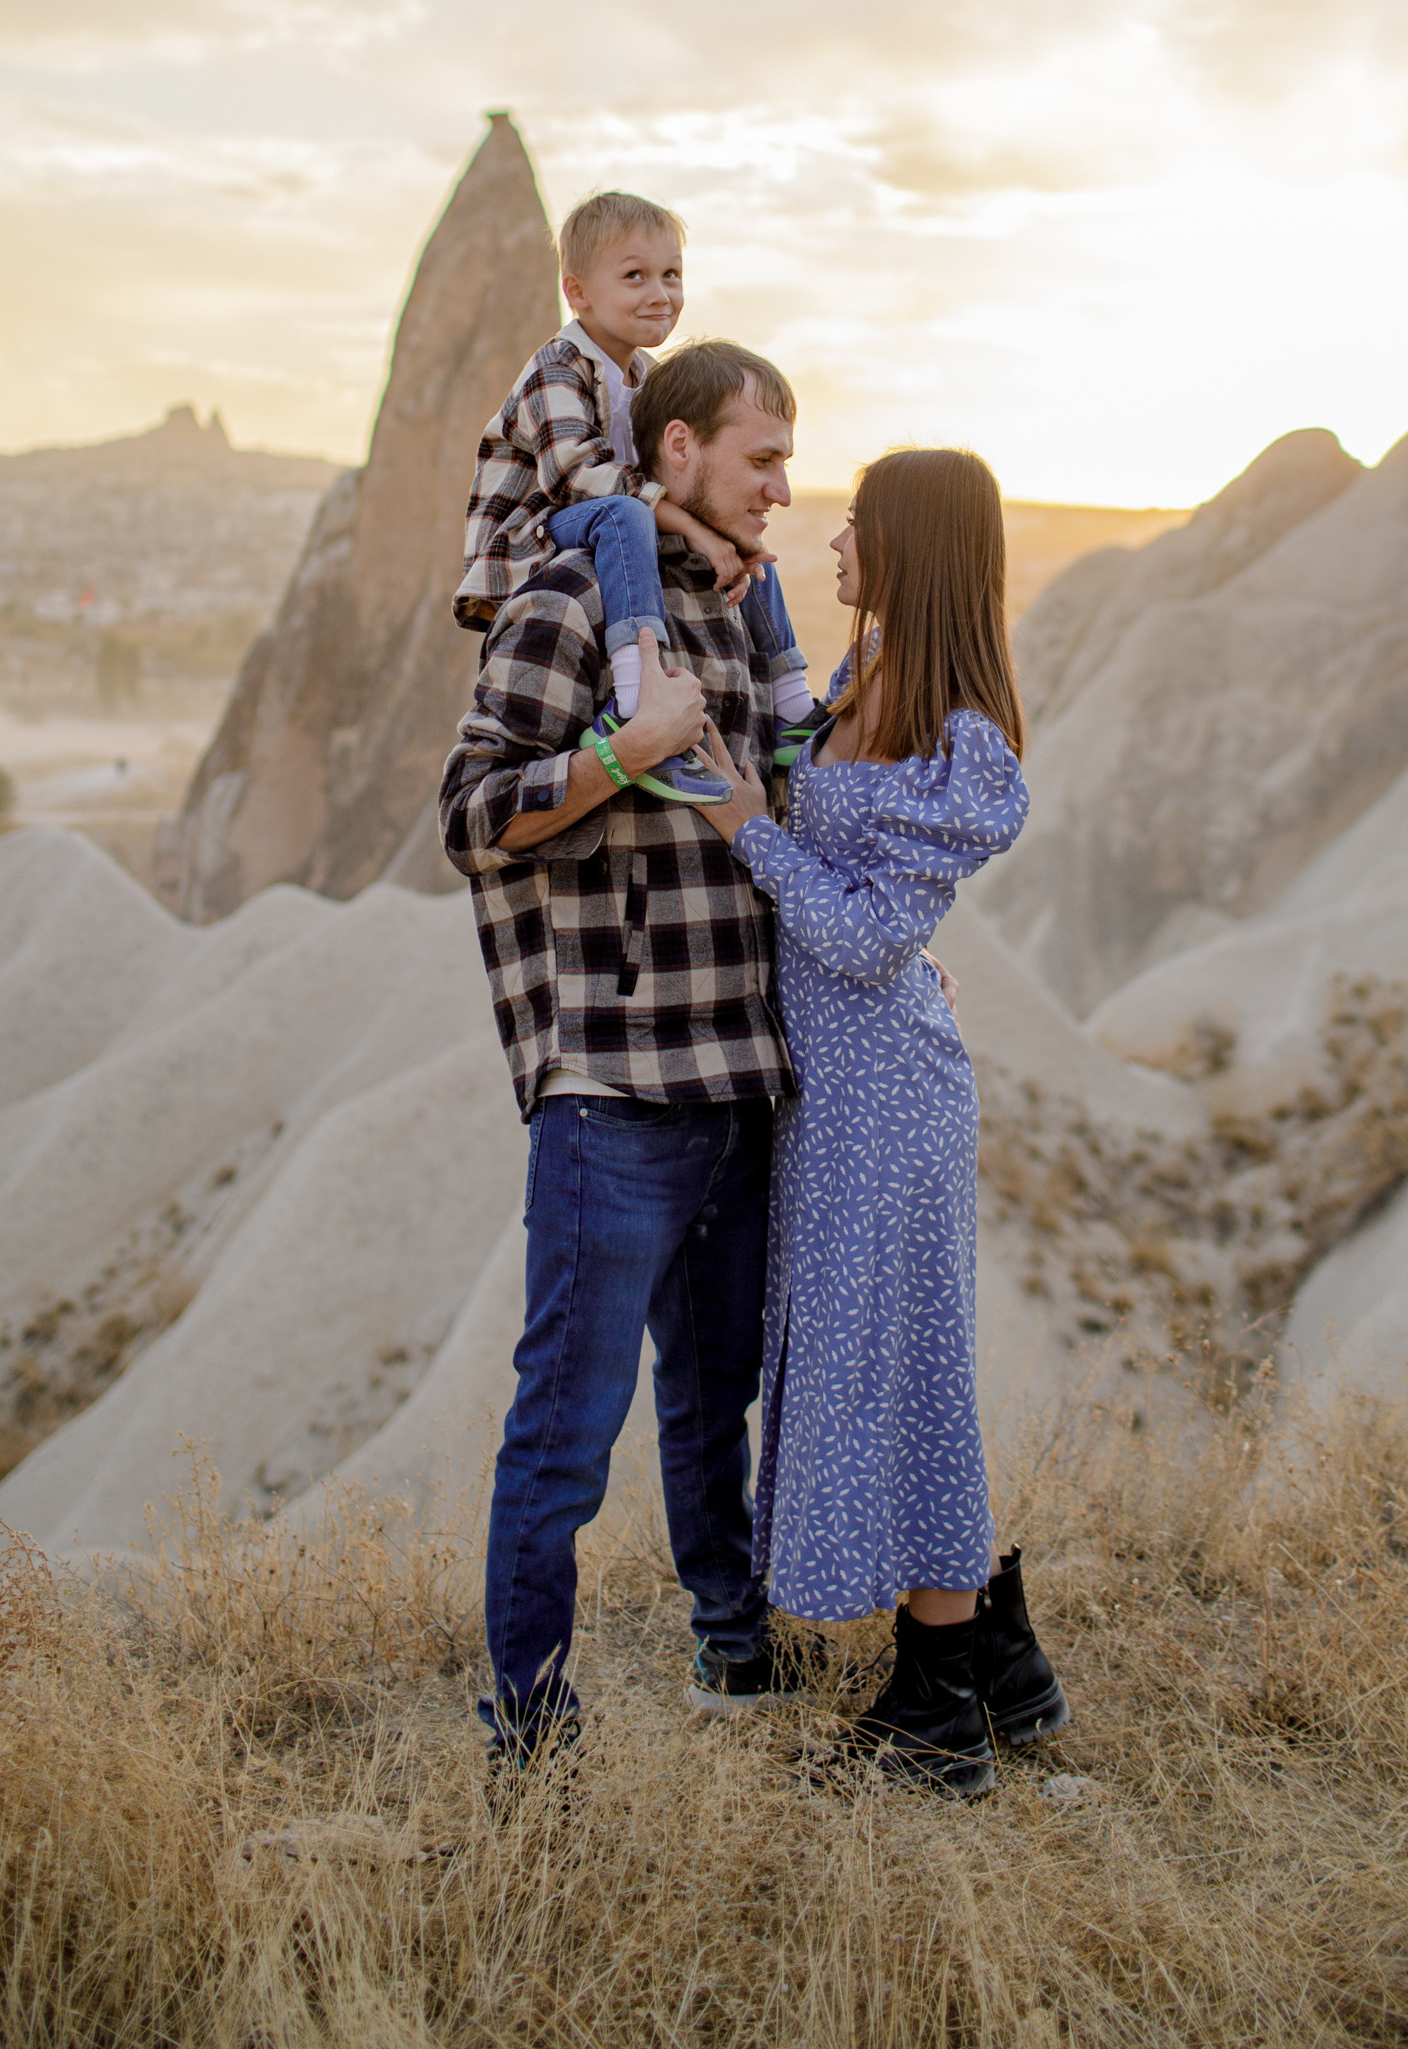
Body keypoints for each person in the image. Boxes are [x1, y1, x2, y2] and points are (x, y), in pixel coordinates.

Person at [439, 338, 812, 1765]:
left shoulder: (737, 618)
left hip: (742, 1089)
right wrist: (616, 750)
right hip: (612, 1095)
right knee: (567, 1432)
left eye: (786, 460)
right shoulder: (576, 596)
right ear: (673, 454)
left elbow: (777, 830)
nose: (781, 488)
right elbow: (471, 818)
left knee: (721, 1410)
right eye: (759, 458)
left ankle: (738, 1657)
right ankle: (527, 1728)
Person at [695, 448, 1070, 1794]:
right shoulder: (867, 686)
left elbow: (860, 937)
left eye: (855, 526)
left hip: (885, 1099)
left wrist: (750, 829)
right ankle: (994, 1660)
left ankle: (935, 1713)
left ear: (908, 548)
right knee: (879, 1360)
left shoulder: (963, 739)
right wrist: (729, 574)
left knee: (899, 1372)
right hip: (837, 1092)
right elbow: (870, 918)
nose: (833, 543)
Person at [454, 189, 820, 805]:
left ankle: (794, 709)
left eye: (672, 274)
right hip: (533, 538)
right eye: (635, 277)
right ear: (578, 292)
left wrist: (718, 534)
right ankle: (634, 701)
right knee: (630, 513)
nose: (661, 293)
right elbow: (581, 476)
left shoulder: (644, 375)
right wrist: (693, 528)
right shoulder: (557, 368)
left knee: (747, 540)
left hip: (610, 521)